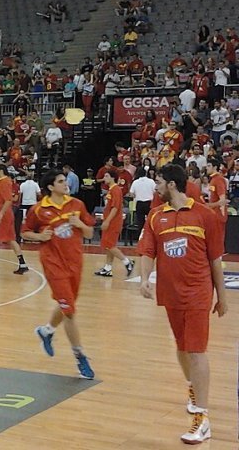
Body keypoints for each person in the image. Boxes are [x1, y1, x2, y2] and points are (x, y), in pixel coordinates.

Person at [138, 164, 227, 444]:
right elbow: (147, 251)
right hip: (170, 293)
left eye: (159, 182)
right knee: (181, 348)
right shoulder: (155, 216)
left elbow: (215, 260)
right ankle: (193, 388)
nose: (156, 187)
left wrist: (221, 297)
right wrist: (143, 279)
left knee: (196, 351)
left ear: (172, 185)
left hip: (198, 293)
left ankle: (202, 418)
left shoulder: (205, 215)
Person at [23, 169, 96, 379]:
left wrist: (79, 224)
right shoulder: (38, 210)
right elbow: (25, 232)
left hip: (75, 262)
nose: (66, 184)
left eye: (66, 181)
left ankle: (46, 331)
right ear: (50, 186)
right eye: (62, 181)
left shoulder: (77, 205)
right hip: (53, 264)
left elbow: (90, 232)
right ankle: (80, 356)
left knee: (67, 304)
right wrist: (39, 236)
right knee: (70, 311)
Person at [94, 170, 135, 277]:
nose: (104, 178)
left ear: (113, 178)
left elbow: (115, 208)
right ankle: (108, 268)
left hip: (113, 222)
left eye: (106, 176)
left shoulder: (116, 190)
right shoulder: (111, 190)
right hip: (110, 221)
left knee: (110, 245)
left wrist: (107, 221)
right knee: (108, 245)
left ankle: (127, 262)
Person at [204, 158, 228, 242]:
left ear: (215, 167)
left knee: (217, 241)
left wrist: (209, 205)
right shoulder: (213, 179)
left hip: (218, 214)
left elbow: (223, 200)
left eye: (209, 166)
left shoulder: (218, 179)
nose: (206, 167)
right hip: (214, 213)